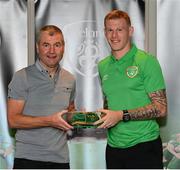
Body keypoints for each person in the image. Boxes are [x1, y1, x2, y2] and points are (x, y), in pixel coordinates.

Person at [94, 9, 168, 169]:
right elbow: (110, 103)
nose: (114, 36)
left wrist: (121, 115)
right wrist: (100, 117)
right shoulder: (103, 66)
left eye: (119, 30)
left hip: (144, 146)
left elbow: (161, 108)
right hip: (113, 148)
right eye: (110, 30)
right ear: (104, 33)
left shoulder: (147, 61)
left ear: (130, 31)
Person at [7, 25, 76, 169]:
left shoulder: (70, 79)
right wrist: (49, 121)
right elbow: (13, 120)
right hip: (28, 160)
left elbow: (69, 111)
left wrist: (79, 117)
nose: (52, 51)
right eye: (46, 45)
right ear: (38, 47)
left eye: (57, 45)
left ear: (63, 47)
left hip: (61, 161)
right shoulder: (22, 77)